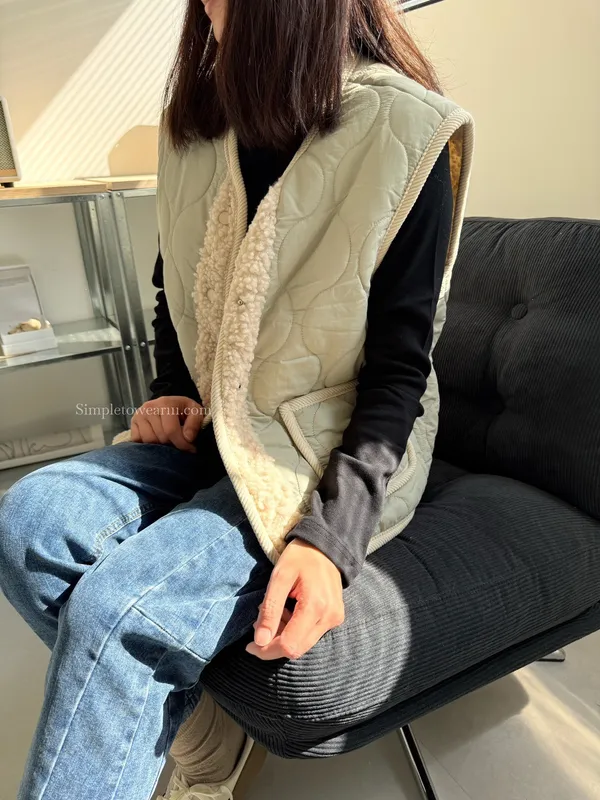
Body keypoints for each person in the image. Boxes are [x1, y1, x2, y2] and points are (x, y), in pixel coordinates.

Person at [0, 1, 473, 799]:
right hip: (221, 425)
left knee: (122, 607)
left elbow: (401, 372)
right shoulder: (195, 130)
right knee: (28, 521)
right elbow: (176, 290)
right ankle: (200, 730)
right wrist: (172, 392)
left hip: (325, 449)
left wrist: (331, 538)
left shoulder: (408, 129)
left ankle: (191, 751)